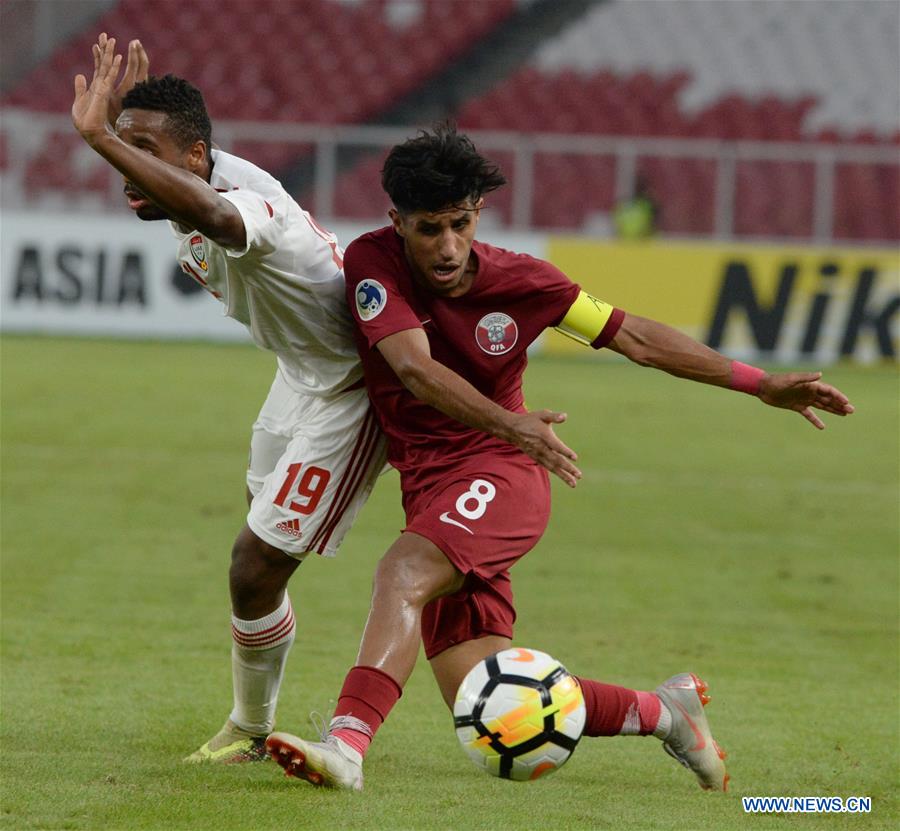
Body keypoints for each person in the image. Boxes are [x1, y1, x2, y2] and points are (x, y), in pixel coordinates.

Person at [263, 123, 854, 792]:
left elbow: (636, 336)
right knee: (483, 698)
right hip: (440, 483)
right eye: (430, 228)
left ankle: (345, 745)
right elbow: (415, 371)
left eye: (460, 223)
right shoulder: (375, 262)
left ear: (478, 213)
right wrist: (513, 422)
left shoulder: (527, 282)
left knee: (402, 571)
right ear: (397, 221)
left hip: (504, 471)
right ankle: (670, 714)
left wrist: (762, 382)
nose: (448, 246)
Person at [71, 35, 386, 763]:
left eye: (145, 151)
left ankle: (251, 727)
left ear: (194, 158)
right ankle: (252, 723)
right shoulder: (190, 176)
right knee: (257, 564)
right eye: (125, 148)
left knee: (254, 563)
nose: (127, 167)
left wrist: (98, 137)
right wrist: (131, 133)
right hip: (297, 375)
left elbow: (220, 217)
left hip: (350, 390)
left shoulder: (254, 214)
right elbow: (187, 189)